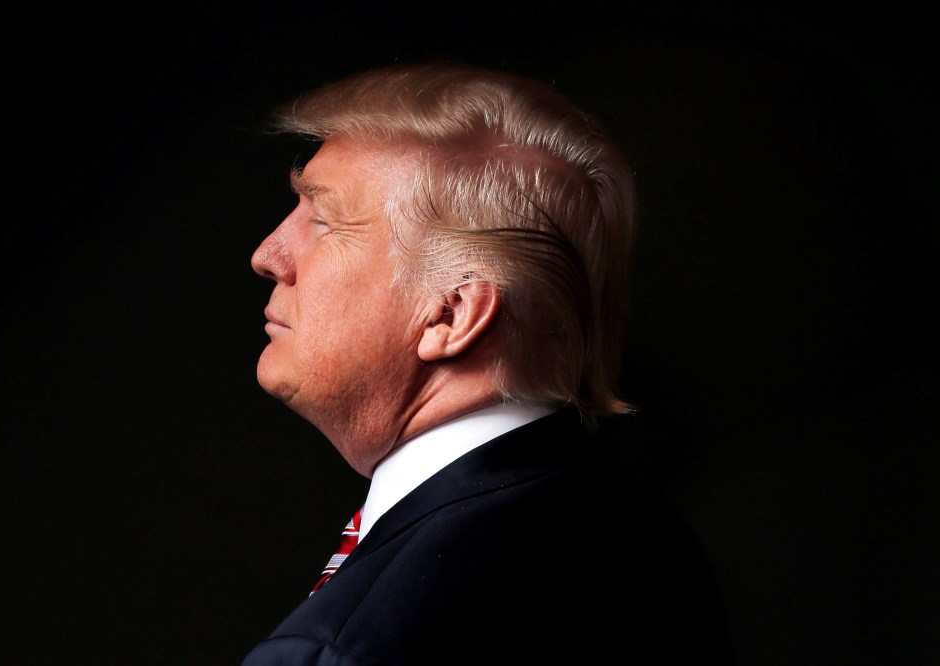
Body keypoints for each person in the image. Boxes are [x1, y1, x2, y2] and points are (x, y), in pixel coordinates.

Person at [242, 62, 731, 665]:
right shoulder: (653, 541)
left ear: (450, 314)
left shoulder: (346, 647)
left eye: (323, 220)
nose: (268, 255)